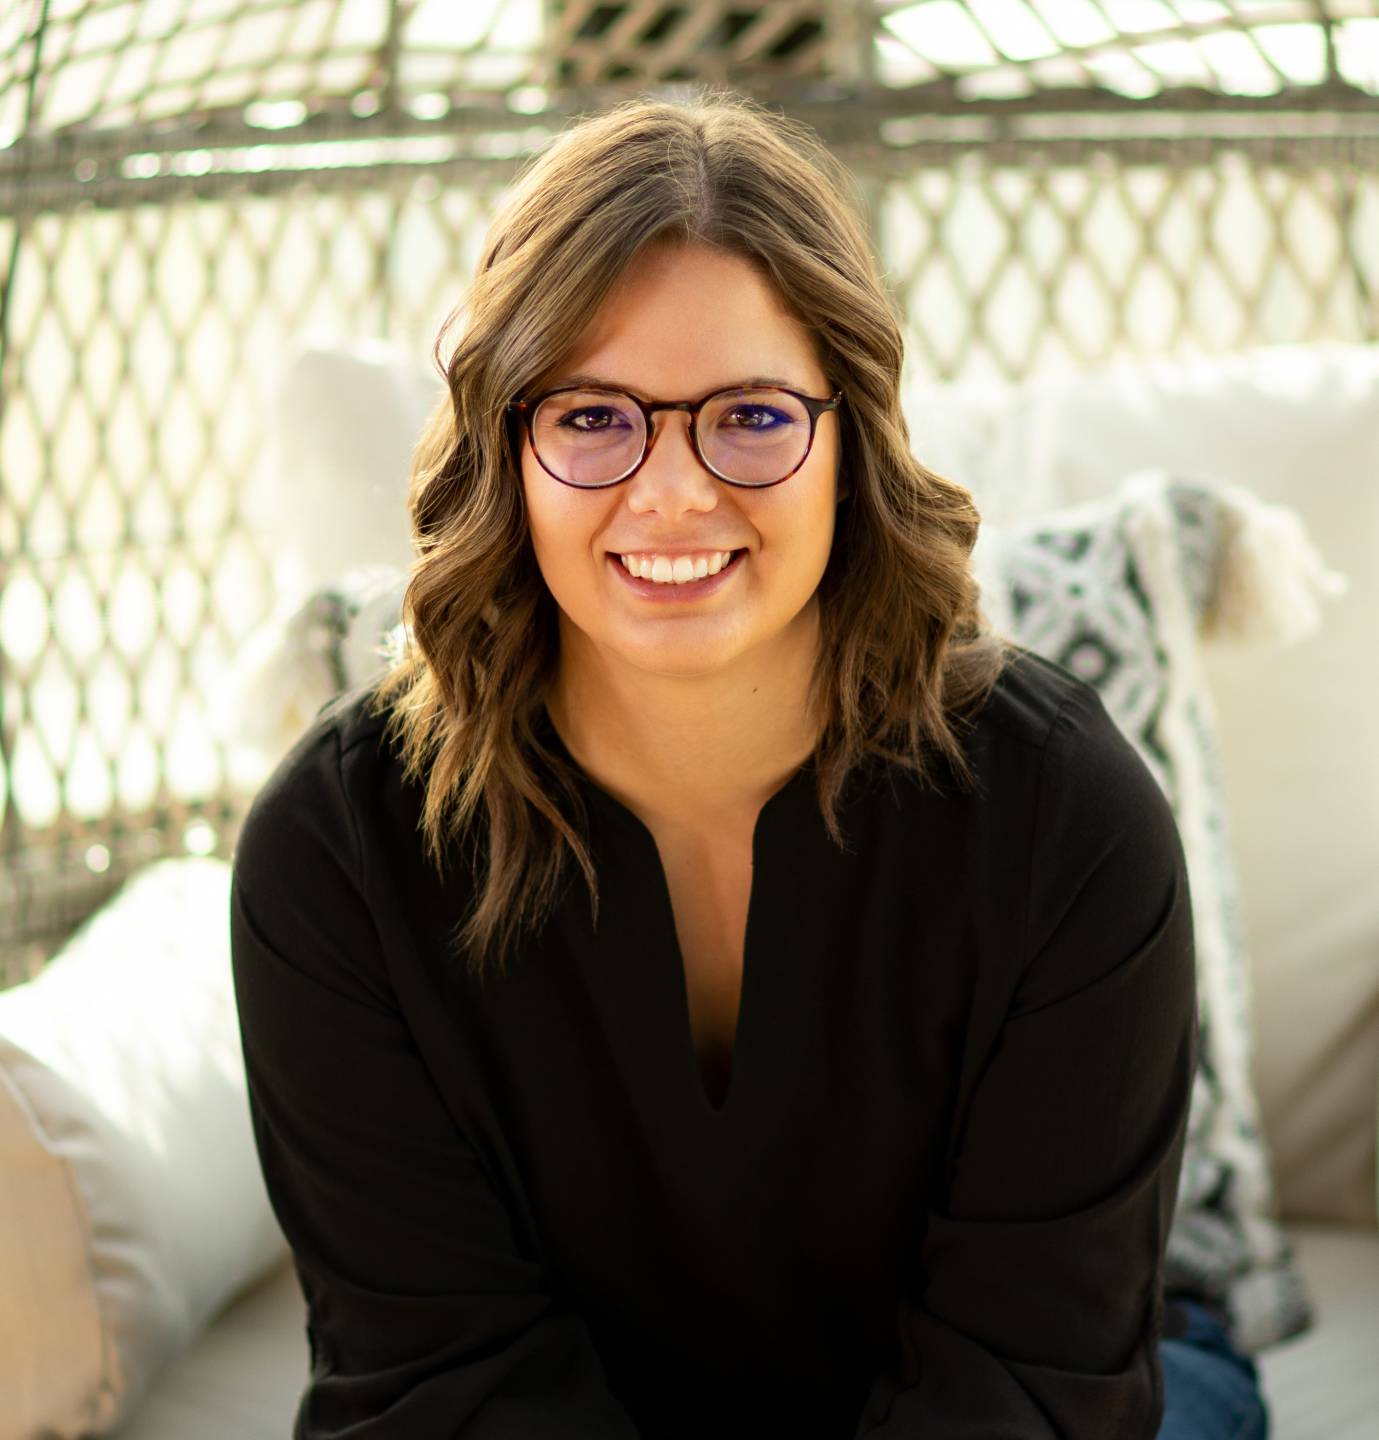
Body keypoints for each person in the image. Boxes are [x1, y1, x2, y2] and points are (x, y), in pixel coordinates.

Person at [229, 89, 1269, 1439]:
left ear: (850, 438)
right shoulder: (341, 848)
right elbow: (436, 1384)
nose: (672, 491)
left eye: (753, 416)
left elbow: (1032, 1375)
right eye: (594, 418)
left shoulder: (1063, 813)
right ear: (507, 446)